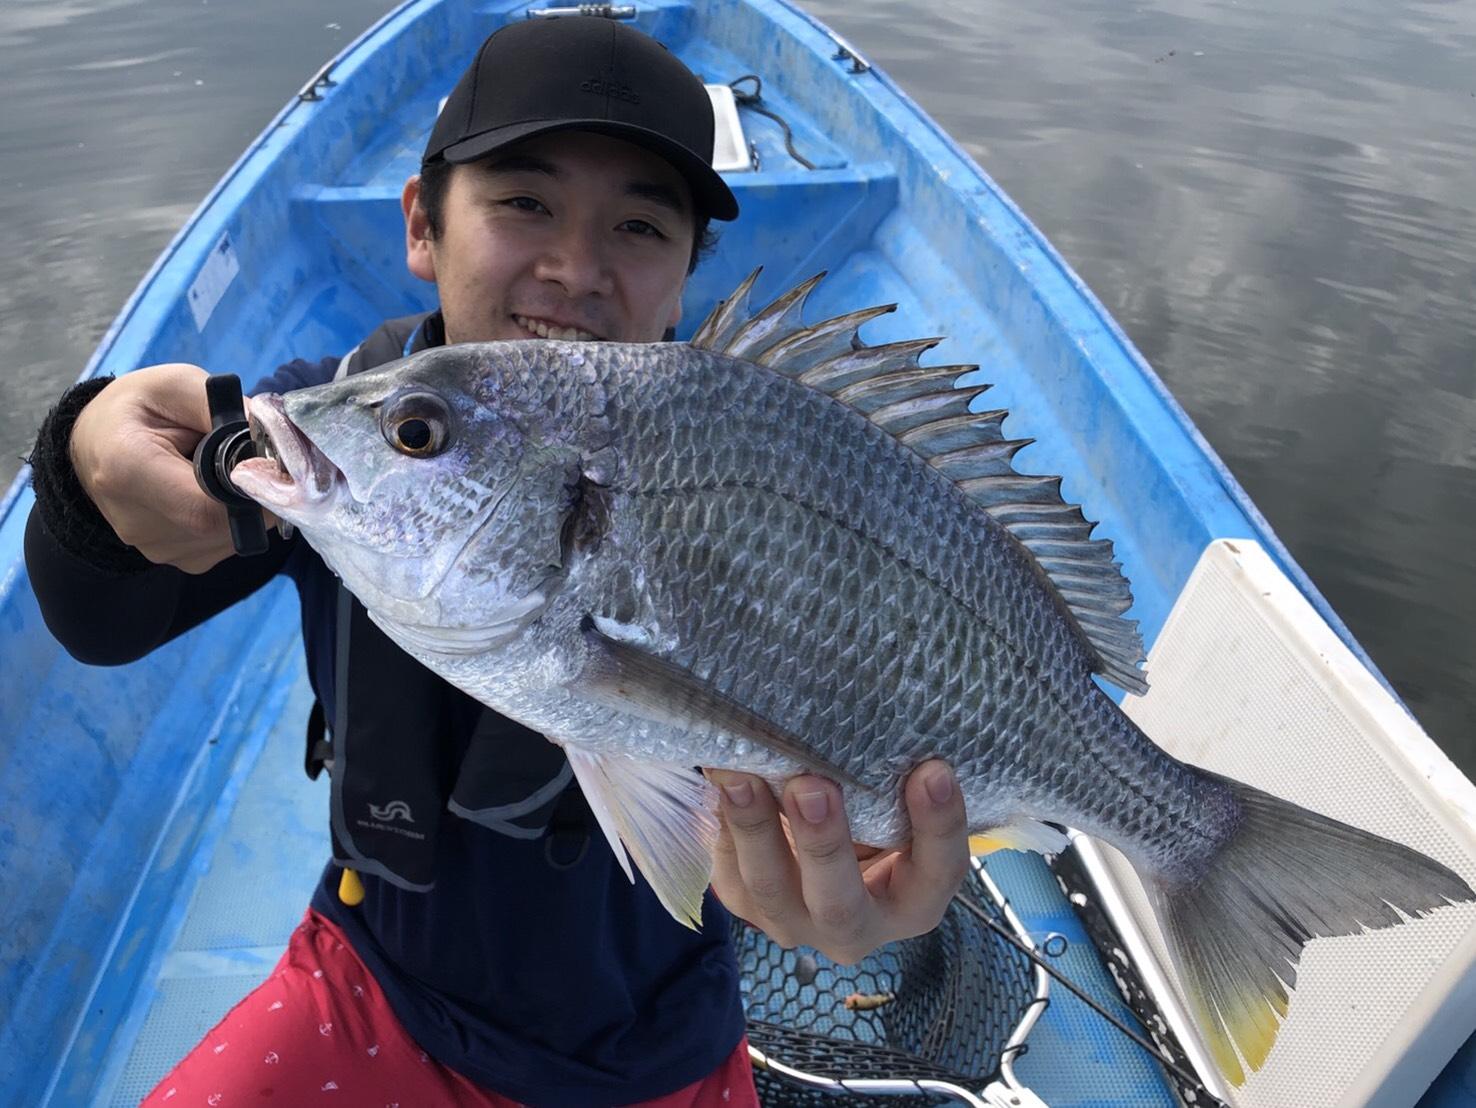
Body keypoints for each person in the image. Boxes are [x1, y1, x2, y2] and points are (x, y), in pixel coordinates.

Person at [24, 16, 971, 1106]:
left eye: (640, 225)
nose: (576, 270)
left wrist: (870, 861)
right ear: (423, 225)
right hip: (373, 985)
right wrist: (83, 455)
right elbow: (99, 621)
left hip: (655, 1044)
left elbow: (874, 718)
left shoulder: (749, 464)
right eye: (523, 203)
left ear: (686, 277)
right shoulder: (356, 434)